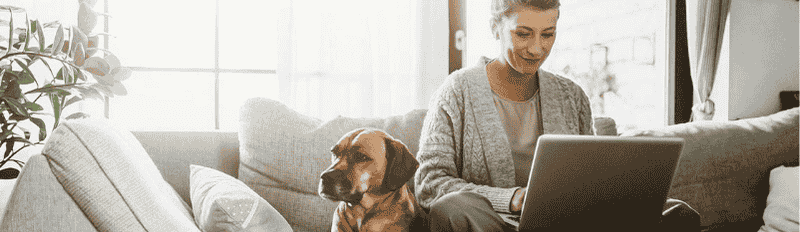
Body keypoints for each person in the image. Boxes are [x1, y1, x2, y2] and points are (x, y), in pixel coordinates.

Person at [413, 0, 593, 231]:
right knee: (452, 208)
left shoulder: (572, 97)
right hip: (488, 225)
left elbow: (591, 178)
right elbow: (430, 184)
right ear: (495, 27)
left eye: (548, 34)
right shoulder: (457, 91)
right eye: (523, 34)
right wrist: (511, 199)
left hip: (560, 224)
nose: (537, 48)